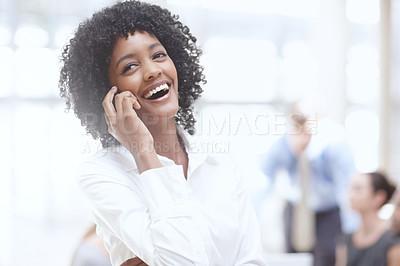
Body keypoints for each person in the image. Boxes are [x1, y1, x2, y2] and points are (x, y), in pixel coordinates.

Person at [59, 1, 267, 265]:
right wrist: (143, 151)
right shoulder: (103, 174)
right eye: (130, 67)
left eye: (158, 55)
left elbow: (252, 261)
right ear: (107, 93)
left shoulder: (221, 162)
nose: (153, 71)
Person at [258, 101, 357, 266]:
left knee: (326, 257)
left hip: (327, 211)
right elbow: (263, 180)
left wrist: (351, 232)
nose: (302, 138)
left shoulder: (335, 142)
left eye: (307, 131)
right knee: (293, 259)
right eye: (296, 130)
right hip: (295, 209)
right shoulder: (280, 143)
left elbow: (347, 185)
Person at [335, 172, 400, 266]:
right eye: (351, 189)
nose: (350, 196)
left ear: (379, 197)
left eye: (358, 189)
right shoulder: (346, 239)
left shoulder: (393, 239)